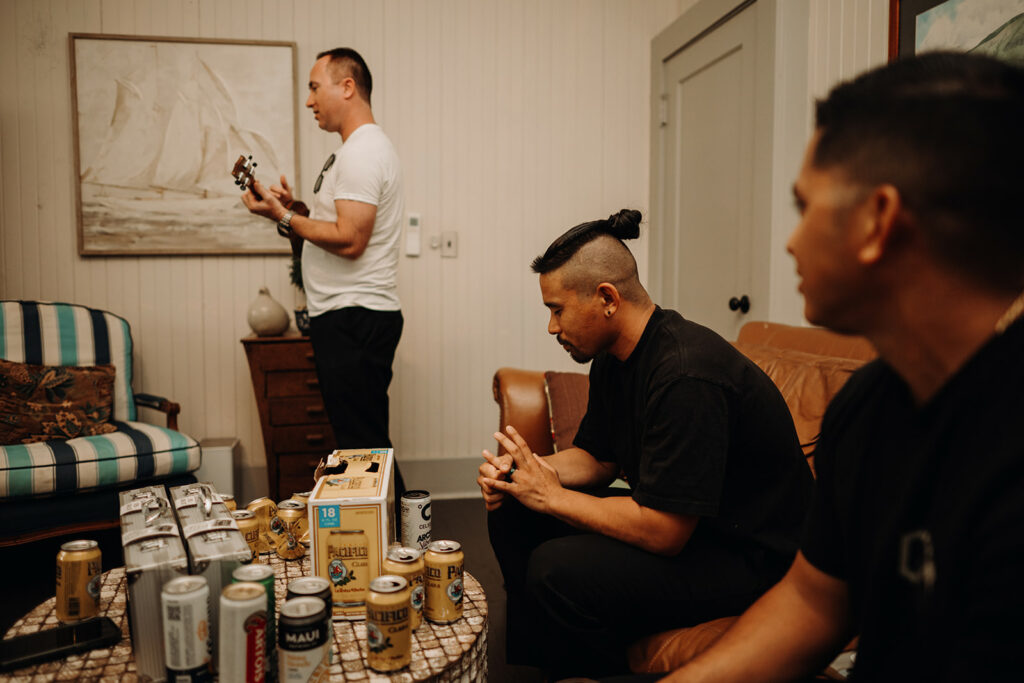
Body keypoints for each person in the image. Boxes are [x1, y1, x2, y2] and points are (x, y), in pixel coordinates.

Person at [662, 52, 1024, 682]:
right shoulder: (869, 404)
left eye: (806, 208)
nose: (791, 241)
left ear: (877, 220)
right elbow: (814, 600)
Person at [478, 209, 813, 677]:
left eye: (557, 310)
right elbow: (598, 458)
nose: (553, 327)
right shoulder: (614, 357)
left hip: (751, 558)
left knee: (556, 567)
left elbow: (664, 532)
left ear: (607, 298)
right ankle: (549, 661)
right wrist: (529, 475)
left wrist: (552, 497)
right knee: (514, 508)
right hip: (690, 527)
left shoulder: (685, 374)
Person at [243, 48, 405, 493]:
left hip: (355, 316)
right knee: (364, 445)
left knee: (363, 449)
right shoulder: (352, 152)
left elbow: (350, 240)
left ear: (347, 86)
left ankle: (398, 548)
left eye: (315, 87)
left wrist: (285, 215)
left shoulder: (362, 152)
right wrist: (286, 212)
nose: (310, 100)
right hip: (349, 314)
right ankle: (398, 542)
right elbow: (329, 232)